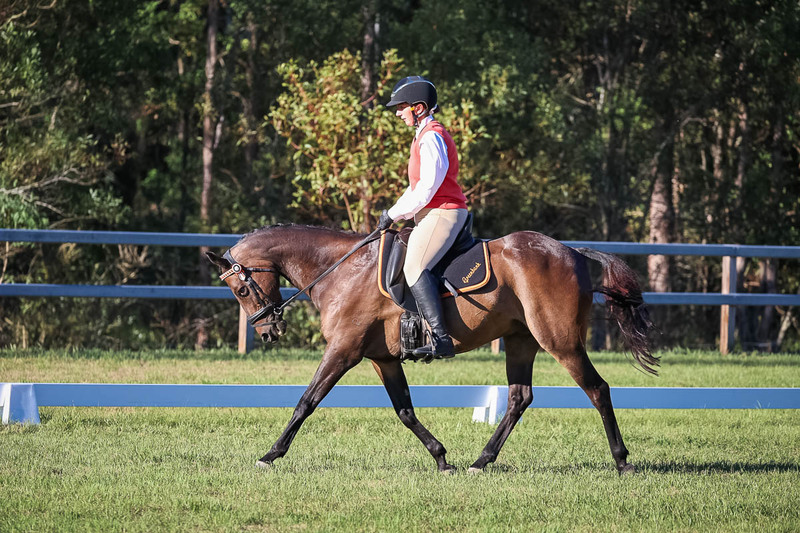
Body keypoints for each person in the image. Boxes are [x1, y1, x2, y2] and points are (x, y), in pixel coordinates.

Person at [377, 76, 469, 360]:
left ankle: (441, 339)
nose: (397, 112)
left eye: (401, 107)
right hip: (432, 212)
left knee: (415, 267)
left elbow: (428, 187)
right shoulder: (422, 135)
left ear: (418, 107)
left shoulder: (431, 136)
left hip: (443, 211)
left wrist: (393, 214)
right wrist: (392, 211)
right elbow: (415, 188)